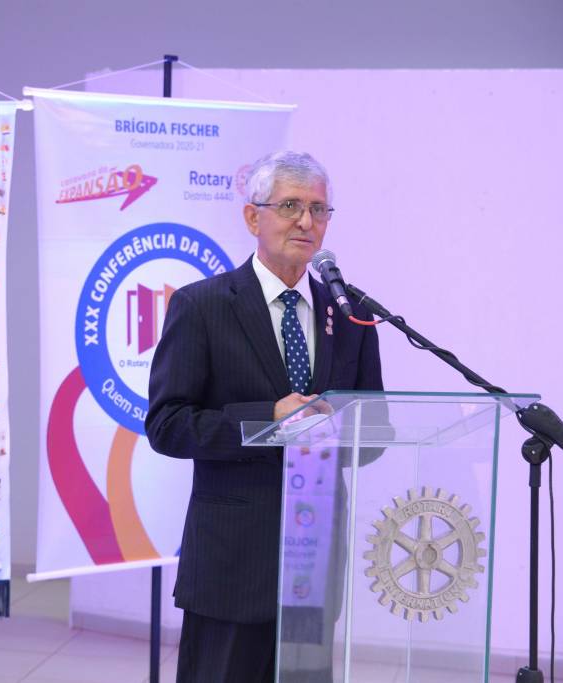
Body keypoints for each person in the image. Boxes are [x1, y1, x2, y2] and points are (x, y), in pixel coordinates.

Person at [145, 150, 384, 682]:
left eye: (318, 209)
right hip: (232, 564)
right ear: (253, 218)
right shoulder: (203, 306)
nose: (306, 222)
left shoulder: (351, 315)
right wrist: (269, 420)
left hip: (315, 561)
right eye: (290, 206)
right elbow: (167, 424)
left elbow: (376, 433)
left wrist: (337, 428)